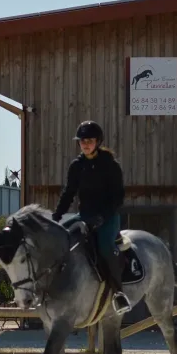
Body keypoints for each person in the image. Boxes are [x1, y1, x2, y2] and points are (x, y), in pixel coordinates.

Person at [52, 120, 132, 315]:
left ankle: (118, 293)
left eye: (89, 140)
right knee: (60, 238)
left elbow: (118, 197)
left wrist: (103, 217)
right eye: (82, 141)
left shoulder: (110, 165)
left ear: (98, 141)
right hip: (84, 215)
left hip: (107, 217)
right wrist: (56, 217)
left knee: (105, 246)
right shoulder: (76, 166)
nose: (85, 144)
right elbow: (68, 193)